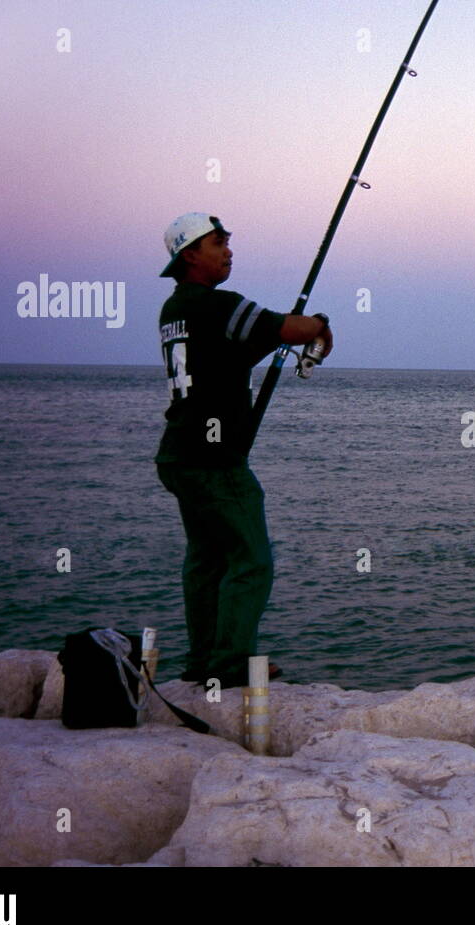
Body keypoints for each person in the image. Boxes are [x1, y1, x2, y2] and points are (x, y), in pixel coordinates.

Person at [154, 213, 334, 689]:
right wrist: (320, 325)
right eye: (219, 243)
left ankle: (203, 661)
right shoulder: (217, 305)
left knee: (207, 560)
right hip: (214, 459)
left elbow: (228, 352)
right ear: (191, 254)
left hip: (179, 454)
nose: (229, 251)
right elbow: (288, 329)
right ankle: (231, 663)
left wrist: (299, 332)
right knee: (250, 559)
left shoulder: (176, 309)